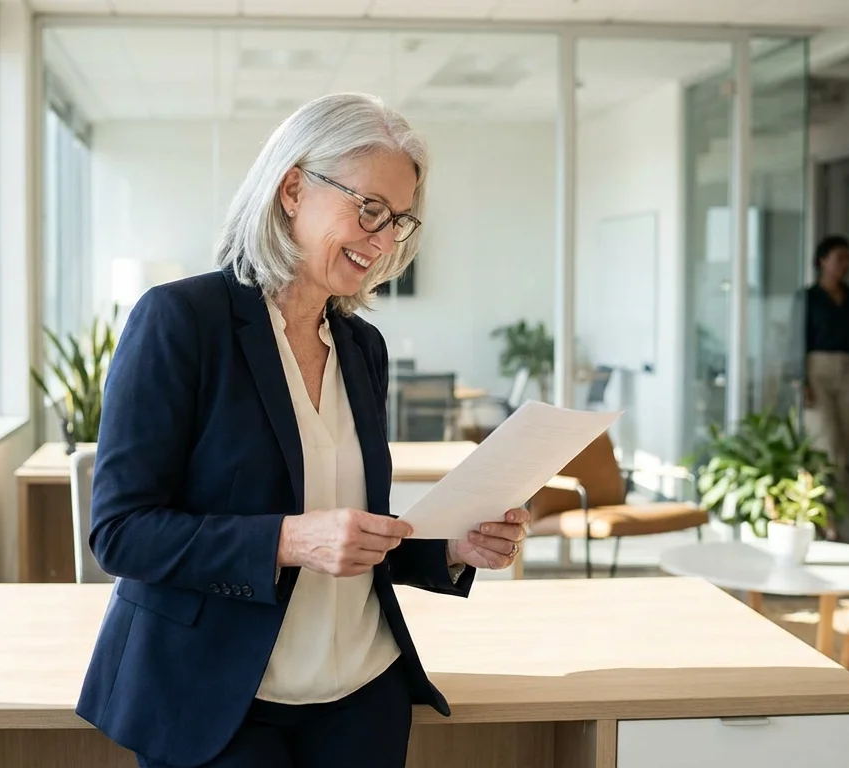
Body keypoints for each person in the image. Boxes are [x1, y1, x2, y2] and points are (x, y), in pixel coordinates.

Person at [74, 93, 529, 768]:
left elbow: (351, 534)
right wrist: (288, 539)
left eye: (398, 221)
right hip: (223, 704)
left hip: (362, 698)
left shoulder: (360, 346)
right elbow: (121, 532)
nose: (381, 238)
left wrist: (452, 547)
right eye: (369, 208)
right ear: (292, 189)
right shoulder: (181, 321)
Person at [793, 235, 849, 475]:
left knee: (845, 440)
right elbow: (796, 339)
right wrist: (801, 380)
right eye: (840, 258)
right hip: (818, 370)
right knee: (825, 439)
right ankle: (824, 499)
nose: (846, 264)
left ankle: (836, 500)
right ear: (823, 261)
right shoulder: (808, 297)